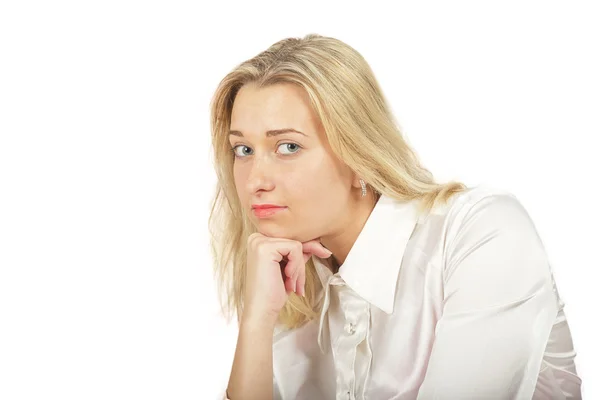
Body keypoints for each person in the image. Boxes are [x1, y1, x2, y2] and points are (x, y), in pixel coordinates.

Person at [208, 34, 582, 400]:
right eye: (243, 149)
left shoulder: (480, 234)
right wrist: (256, 322)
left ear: (360, 156)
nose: (255, 180)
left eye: (288, 147)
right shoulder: (290, 287)